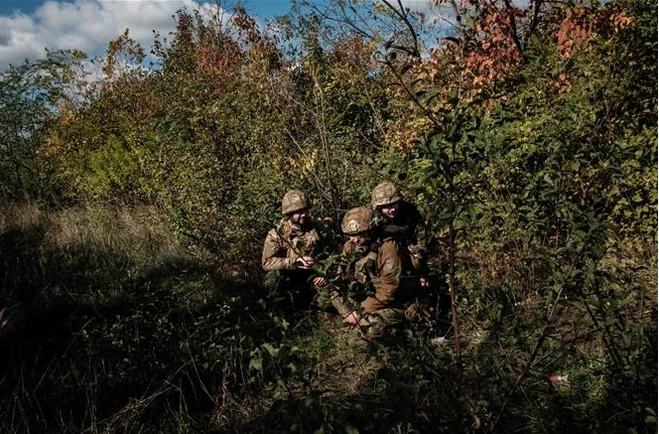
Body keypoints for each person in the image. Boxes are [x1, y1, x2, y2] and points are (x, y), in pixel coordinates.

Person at [331, 206, 418, 338]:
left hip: (396, 303)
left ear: (370, 231)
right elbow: (341, 275)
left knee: (365, 332)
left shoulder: (389, 248)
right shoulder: (351, 246)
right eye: (350, 236)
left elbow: (389, 291)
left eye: (357, 235)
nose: (353, 240)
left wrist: (359, 312)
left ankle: (406, 334)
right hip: (369, 298)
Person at [262, 189, 327, 307]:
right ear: (289, 214)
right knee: (272, 281)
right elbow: (267, 262)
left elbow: (330, 253)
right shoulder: (277, 234)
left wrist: (324, 273)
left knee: (325, 299)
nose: (304, 215)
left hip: (313, 273)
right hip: (288, 274)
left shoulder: (318, 229)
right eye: (299, 212)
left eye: (305, 210)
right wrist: (293, 262)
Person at [370, 180, 430, 287]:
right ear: (379, 207)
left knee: (418, 262)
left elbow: (421, 237)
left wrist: (421, 265)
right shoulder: (373, 217)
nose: (392, 209)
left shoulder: (410, 212)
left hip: (407, 245)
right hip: (382, 250)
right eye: (387, 207)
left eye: (394, 204)